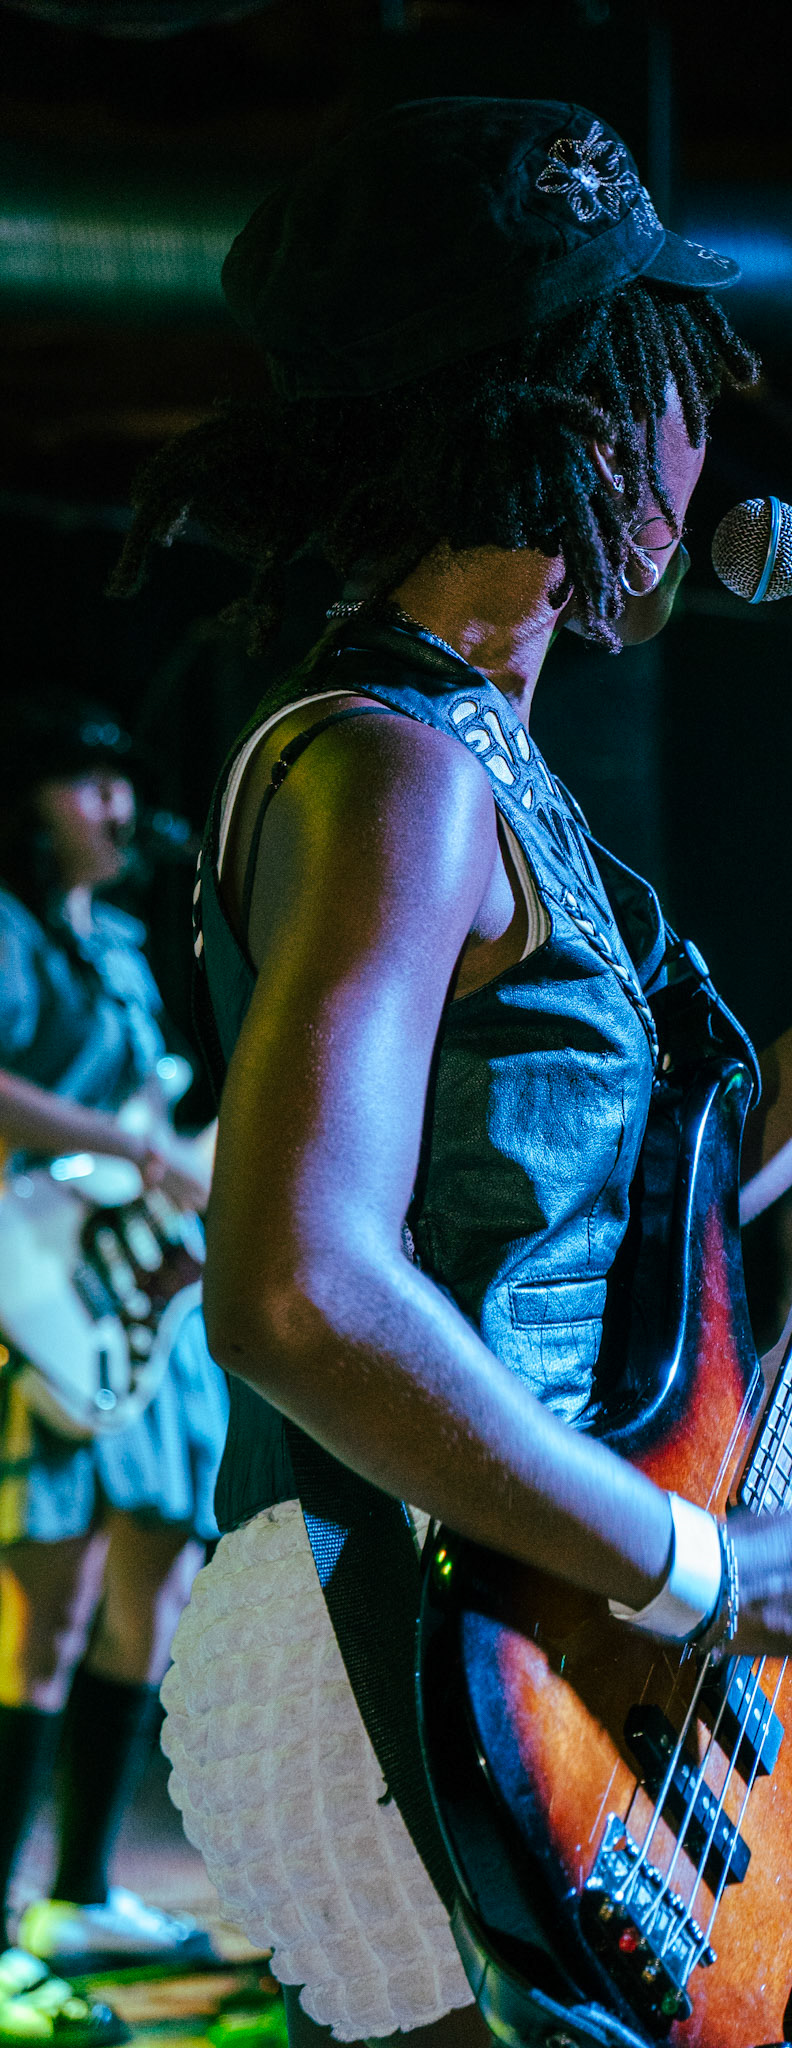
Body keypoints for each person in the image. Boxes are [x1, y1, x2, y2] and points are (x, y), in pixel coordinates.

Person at [107, 100, 792, 2048]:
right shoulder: (393, 765)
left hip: (513, 1612)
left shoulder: (480, 761)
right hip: (404, 1622)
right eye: (676, 389)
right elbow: (293, 1285)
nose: (705, 451)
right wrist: (694, 1559)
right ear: (582, 413)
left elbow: (660, 1208)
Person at [0, 696, 226, 2025]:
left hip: (136, 1309)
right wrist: (131, 1147)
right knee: (47, 1609)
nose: (118, 806)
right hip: (37, 1302)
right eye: (86, 782)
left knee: (154, 1582)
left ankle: (78, 1894)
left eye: (121, 782)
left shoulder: (132, 947)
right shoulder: (9, 934)